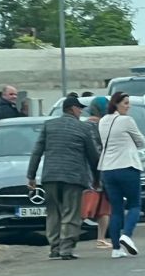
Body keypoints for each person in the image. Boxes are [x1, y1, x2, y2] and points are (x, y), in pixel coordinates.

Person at [27, 94, 100, 261]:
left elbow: (37, 151)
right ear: (72, 109)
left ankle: (54, 247)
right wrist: (97, 178)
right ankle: (66, 248)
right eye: (79, 108)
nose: (81, 111)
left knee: (53, 212)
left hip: (50, 176)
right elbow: (93, 156)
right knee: (71, 212)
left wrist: (31, 176)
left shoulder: (49, 125)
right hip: (73, 177)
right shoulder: (83, 128)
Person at [99, 92, 145, 259]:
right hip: (127, 166)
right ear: (117, 104)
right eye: (126, 103)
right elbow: (141, 141)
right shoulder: (127, 121)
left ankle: (116, 248)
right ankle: (126, 234)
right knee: (134, 204)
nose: (128, 106)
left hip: (107, 169)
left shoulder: (103, 121)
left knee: (116, 209)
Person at [86, 96, 114, 250]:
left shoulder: (82, 126)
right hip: (100, 171)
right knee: (103, 208)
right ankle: (101, 238)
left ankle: (66, 241)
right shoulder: (105, 127)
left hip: (83, 172)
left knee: (80, 207)